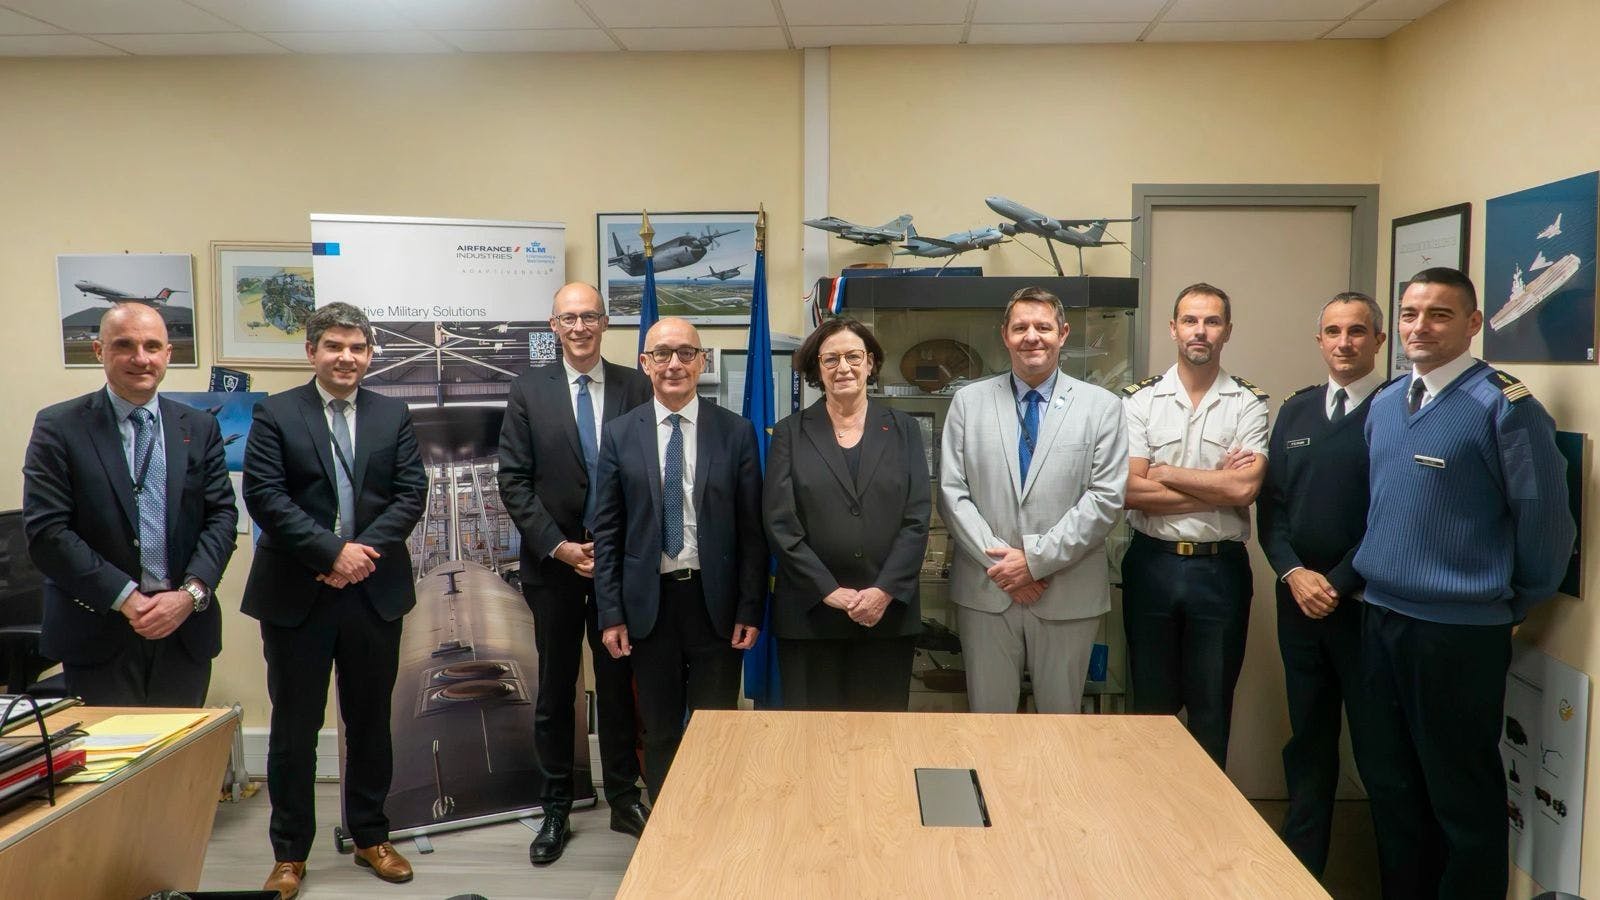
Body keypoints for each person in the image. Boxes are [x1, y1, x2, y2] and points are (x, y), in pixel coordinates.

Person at [1354, 267, 1574, 899]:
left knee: (1461, 796)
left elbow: (1545, 525)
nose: (1420, 327)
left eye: (1440, 315)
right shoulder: (1390, 402)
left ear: (1474, 323)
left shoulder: (1503, 408)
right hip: (1381, 618)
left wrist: (1506, 601)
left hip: (1456, 633)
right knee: (1392, 786)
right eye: (1409, 314)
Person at [241, 302, 427, 899]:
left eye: (358, 348)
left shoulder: (392, 414)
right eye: (334, 346)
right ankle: (289, 854)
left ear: (371, 354)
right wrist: (329, 554)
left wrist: (359, 554)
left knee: (371, 722)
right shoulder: (276, 413)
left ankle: (372, 835)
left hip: (373, 591)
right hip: (298, 594)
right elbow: (266, 496)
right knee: (294, 729)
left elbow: (410, 493)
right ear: (312, 351)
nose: (347, 357)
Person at [498, 283, 652, 865]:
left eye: (590, 316)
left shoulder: (638, 385)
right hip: (554, 567)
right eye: (570, 318)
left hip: (621, 567)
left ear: (605, 322)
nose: (581, 326)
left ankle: (623, 798)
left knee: (618, 688)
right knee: (556, 690)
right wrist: (559, 547)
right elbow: (512, 478)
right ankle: (555, 805)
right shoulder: (528, 389)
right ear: (553, 325)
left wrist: (614, 548)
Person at [22, 302, 237, 706]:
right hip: (98, 628)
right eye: (125, 345)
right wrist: (127, 598)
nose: (141, 358)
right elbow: (48, 532)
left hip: (185, 629)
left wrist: (189, 596)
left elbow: (222, 516)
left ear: (168, 354)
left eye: (152, 346)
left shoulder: (199, 427)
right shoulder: (60, 426)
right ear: (100, 352)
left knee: (178, 762)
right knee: (113, 765)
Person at [592, 317, 766, 805]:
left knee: (717, 729)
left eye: (686, 353)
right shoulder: (621, 434)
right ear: (644, 364)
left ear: (702, 362)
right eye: (662, 353)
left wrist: (750, 608)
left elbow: (753, 531)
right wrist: (611, 614)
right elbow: (607, 533)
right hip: (650, 608)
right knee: (662, 729)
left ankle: (715, 819)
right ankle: (668, 823)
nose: (674, 364)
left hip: (716, 606)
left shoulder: (735, 432)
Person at [938, 287, 1127, 713]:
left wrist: (1035, 562)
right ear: (1004, 335)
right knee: (989, 724)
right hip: (988, 592)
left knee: (1059, 729)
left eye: (1043, 327)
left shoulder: (1102, 407)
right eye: (1020, 327)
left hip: (1066, 593)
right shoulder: (969, 402)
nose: (1032, 337)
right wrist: (1005, 568)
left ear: (1063, 333)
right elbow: (952, 493)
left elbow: (1105, 500)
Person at [1256, 291, 1386, 878]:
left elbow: (1393, 514)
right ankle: (1301, 871)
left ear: (1379, 341)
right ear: (1319, 340)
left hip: (1364, 608)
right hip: (1299, 606)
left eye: (1357, 331)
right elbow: (1273, 508)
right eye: (1333, 331)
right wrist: (1293, 573)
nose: (1344, 343)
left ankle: (1390, 875)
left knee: (1379, 749)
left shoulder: (1396, 410)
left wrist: (1335, 581)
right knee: (1307, 742)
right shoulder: (1296, 411)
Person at [1121, 282, 1268, 767]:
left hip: (1218, 571)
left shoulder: (1248, 402)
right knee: (1150, 708)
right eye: (1189, 320)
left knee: (1211, 710)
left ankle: (1208, 829)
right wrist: (1213, 484)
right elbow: (1127, 491)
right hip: (1151, 565)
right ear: (1173, 328)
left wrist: (1164, 473)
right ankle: (1148, 819)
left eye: (1211, 321)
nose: (1199, 331)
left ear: (1227, 330)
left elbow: (1244, 490)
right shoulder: (1140, 400)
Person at [763, 316, 930, 710]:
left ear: (870, 362)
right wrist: (830, 591)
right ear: (816, 369)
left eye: (853, 356)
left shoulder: (903, 429)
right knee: (813, 745)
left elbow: (917, 518)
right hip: (810, 616)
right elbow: (780, 523)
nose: (843, 368)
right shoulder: (789, 432)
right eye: (830, 359)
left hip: (887, 616)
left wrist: (882, 592)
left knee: (879, 744)